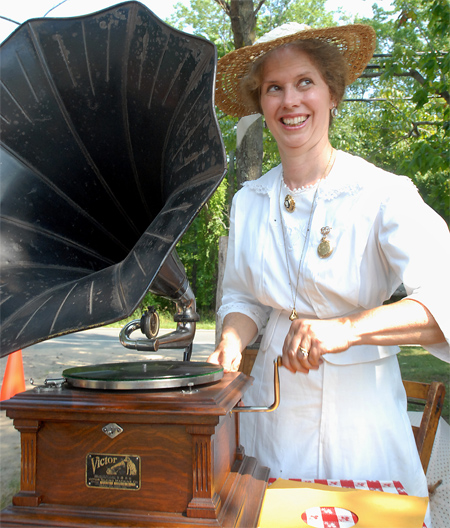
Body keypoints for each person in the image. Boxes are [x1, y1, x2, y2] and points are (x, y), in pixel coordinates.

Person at [209, 22, 449, 526]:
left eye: (305, 82)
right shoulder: (248, 201)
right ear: (260, 104)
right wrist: (232, 339)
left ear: (333, 93)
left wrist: (346, 329)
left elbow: (443, 301)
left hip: (360, 419)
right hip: (270, 411)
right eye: (274, 87)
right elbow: (242, 297)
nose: (289, 100)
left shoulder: (383, 193)